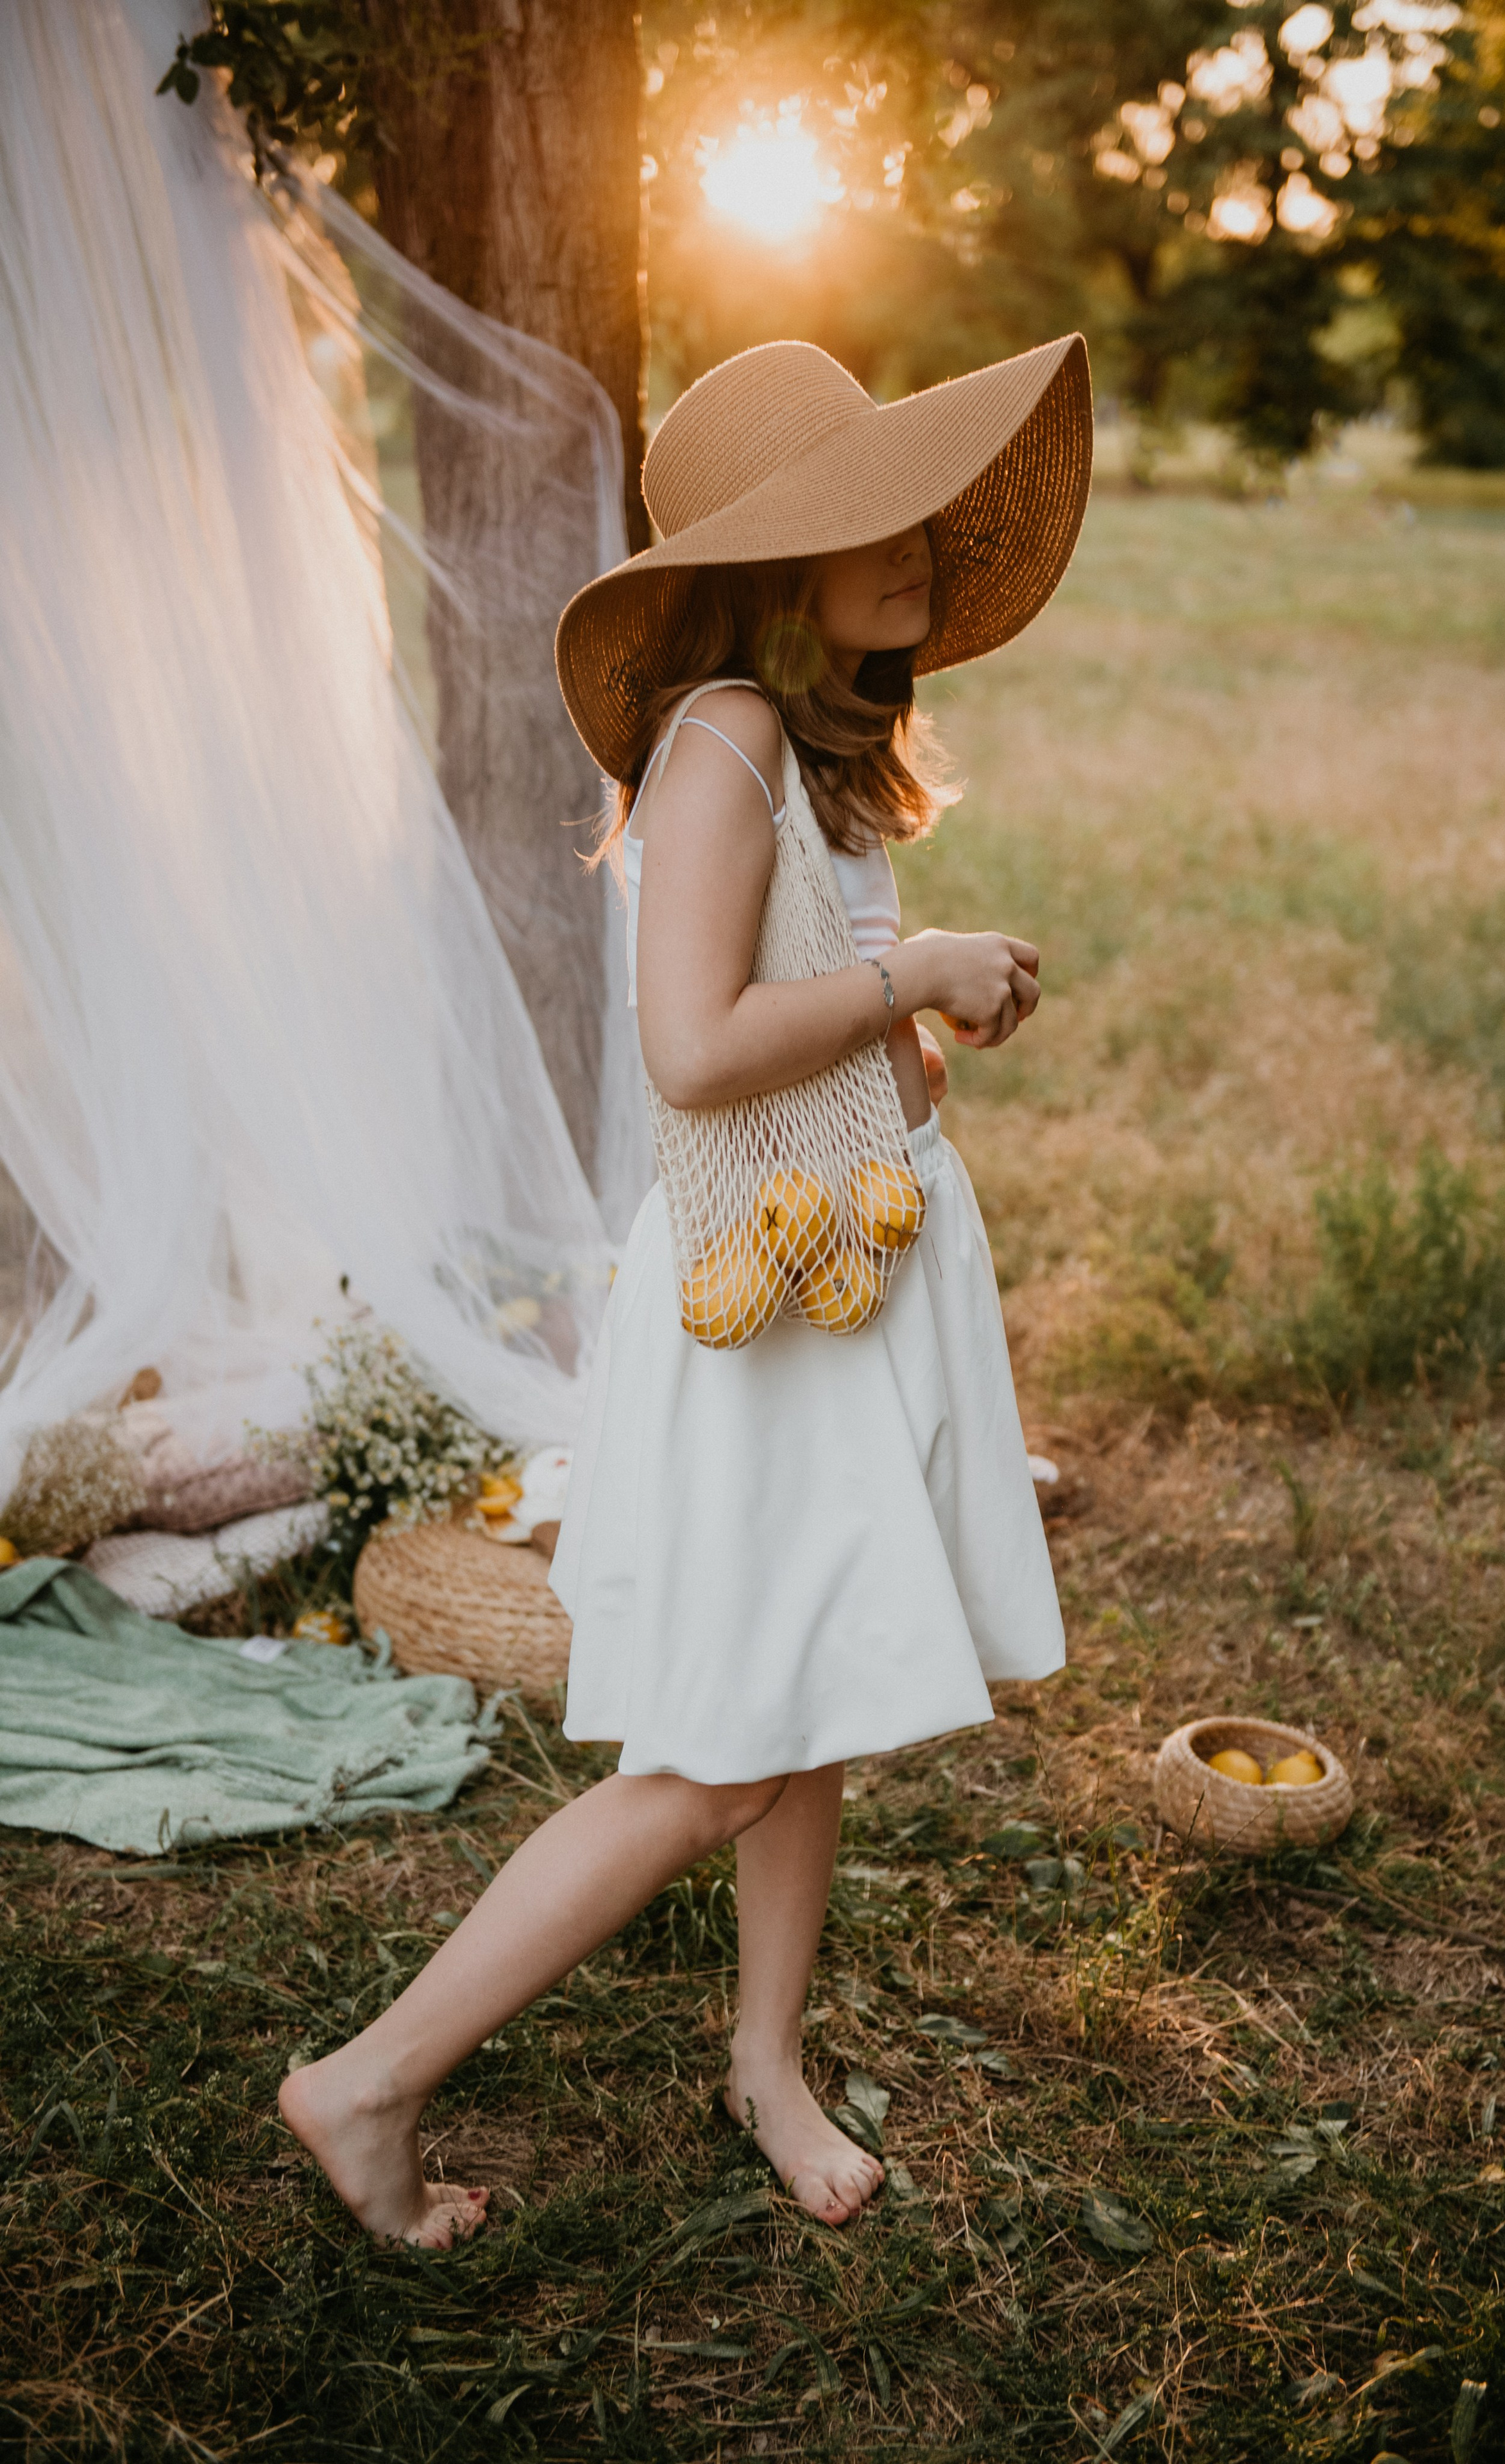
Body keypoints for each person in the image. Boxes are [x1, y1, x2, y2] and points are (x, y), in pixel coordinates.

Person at [281, 332, 1093, 2246]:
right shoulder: (722, 738)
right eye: (866, 521)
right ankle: (368, 2080)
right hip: (772, 1313)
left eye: (913, 509)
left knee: (804, 1702)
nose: (916, 545)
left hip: (842, 1273)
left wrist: (917, 1026)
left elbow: (807, 1015)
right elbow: (697, 1049)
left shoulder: (807, 756)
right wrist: (918, 972)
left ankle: (765, 2061)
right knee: (718, 1758)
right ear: (769, 564)